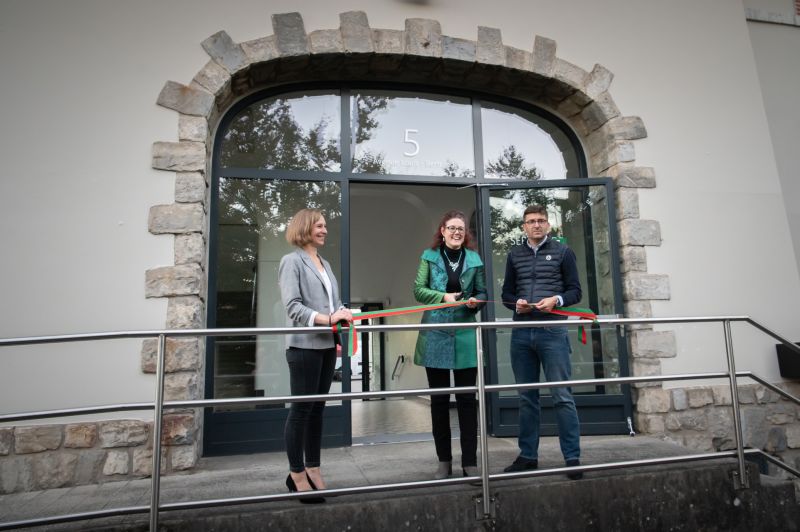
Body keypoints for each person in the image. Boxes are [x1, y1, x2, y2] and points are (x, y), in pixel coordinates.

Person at [501, 204, 584, 480]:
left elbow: (575, 291)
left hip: (553, 332)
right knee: (527, 398)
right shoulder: (514, 254)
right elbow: (506, 295)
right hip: (522, 333)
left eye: (541, 221)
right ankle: (528, 456)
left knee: (562, 396)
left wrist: (556, 301)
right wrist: (517, 304)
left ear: (548, 225)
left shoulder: (563, 252)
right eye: (530, 221)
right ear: (523, 227)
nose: (536, 225)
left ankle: (572, 458)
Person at [278, 208, 353, 502]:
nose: (324, 230)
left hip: (325, 346)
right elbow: (293, 307)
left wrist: (343, 314)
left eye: (325, 226)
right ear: (305, 227)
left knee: (318, 412)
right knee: (301, 412)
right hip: (303, 347)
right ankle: (296, 474)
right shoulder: (290, 262)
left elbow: (332, 303)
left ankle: (314, 468)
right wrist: (329, 318)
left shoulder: (325, 263)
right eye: (319, 225)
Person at [413, 210, 487, 480]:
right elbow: (418, 290)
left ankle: (470, 462)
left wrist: (475, 302)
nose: (457, 232)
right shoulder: (429, 256)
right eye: (452, 227)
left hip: (465, 335)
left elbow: (483, 292)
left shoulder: (474, 259)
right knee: (439, 401)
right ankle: (444, 461)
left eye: (461, 228)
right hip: (436, 335)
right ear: (442, 231)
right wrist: (442, 296)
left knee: (468, 400)